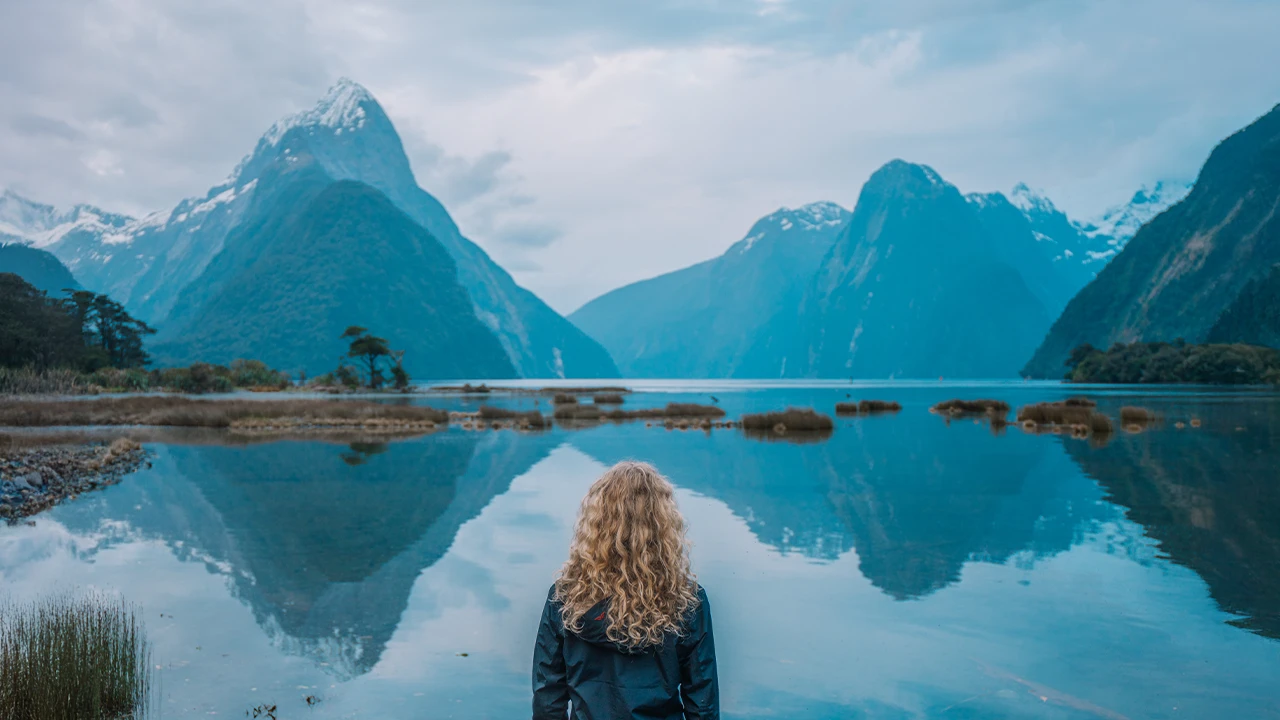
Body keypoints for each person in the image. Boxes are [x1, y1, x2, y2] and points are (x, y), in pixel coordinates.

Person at [532, 461, 719, 720]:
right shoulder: (686, 601)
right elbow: (702, 703)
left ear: (596, 523)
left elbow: (548, 696)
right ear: (662, 524)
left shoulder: (565, 597)